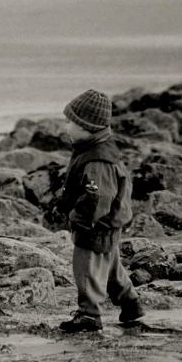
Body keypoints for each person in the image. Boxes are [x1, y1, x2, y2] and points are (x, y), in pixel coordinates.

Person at [55, 90, 145, 333]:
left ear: (87, 127)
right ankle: (131, 303)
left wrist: (78, 219)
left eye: (70, 123)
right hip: (108, 223)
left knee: (86, 268)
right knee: (111, 265)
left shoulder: (96, 160)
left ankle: (89, 314)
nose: (66, 128)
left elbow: (97, 198)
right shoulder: (97, 147)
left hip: (95, 224)